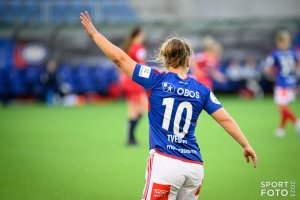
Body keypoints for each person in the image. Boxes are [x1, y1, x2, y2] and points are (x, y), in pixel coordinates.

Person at [80, 11, 257, 200]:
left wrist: (95, 34)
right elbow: (225, 118)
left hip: (165, 165)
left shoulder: (155, 79)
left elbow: (120, 59)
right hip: (194, 168)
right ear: (188, 61)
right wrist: (245, 144)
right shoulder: (202, 89)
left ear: (164, 59)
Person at [265, 31, 300, 137]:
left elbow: (268, 69)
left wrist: (270, 72)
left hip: (282, 84)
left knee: (282, 107)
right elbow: (298, 66)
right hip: (292, 83)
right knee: (285, 108)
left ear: (279, 42)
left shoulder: (275, 54)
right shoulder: (294, 53)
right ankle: (281, 129)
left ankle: (296, 122)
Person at [121, 27, 147, 145]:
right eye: (142, 35)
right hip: (134, 82)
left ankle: (130, 138)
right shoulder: (138, 48)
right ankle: (130, 137)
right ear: (138, 36)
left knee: (134, 109)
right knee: (142, 107)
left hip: (128, 81)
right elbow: (141, 66)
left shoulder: (129, 47)